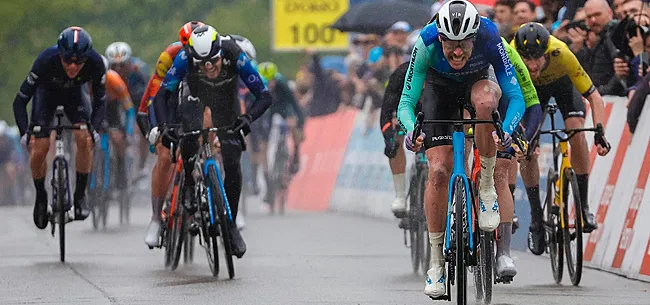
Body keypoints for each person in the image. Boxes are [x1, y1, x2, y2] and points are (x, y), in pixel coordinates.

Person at [397, 0, 526, 297]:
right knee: (439, 171)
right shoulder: (427, 41)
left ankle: (486, 187)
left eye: (464, 45)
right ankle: (436, 264)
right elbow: (406, 102)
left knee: (485, 102)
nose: (457, 52)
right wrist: (411, 130)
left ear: (474, 38)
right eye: (450, 44)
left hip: (478, 84)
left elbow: (515, 96)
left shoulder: (490, 35)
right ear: (440, 37)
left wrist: (505, 130)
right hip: (437, 90)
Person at [151, 25, 273, 258]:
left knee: (232, 157)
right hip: (195, 97)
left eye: (214, 62)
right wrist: (166, 127)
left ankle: (231, 225)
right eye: (202, 63)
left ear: (220, 52)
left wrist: (248, 118)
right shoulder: (184, 58)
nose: (209, 68)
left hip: (226, 103)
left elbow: (264, 95)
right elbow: (162, 96)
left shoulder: (234, 54)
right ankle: (188, 185)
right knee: (188, 138)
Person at [511, 22, 611, 255]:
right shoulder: (511, 56)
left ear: (547, 52)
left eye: (538, 58)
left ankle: (584, 207)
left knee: (576, 131)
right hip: (529, 93)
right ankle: (536, 220)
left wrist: (599, 131)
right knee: (527, 150)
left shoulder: (561, 53)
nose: (533, 65)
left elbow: (594, 97)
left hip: (563, 87)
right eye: (527, 59)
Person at [12, 26, 106, 229]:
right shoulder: (46, 59)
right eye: (68, 61)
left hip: (75, 97)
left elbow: (100, 101)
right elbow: (19, 102)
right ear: (60, 55)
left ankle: (80, 196)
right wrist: (25, 132)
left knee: (85, 139)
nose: (73, 67)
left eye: (79, 62)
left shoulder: (96, 63)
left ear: (86, 58)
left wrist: (94, 128)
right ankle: (40, 196)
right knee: (40, 147)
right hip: (46, 96)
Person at [138, 21, 204, 248]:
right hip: (169, 106)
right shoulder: (171, 57)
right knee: (165, 156)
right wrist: (155, 128)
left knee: (209, 143)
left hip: (195, 105)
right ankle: (156, 218)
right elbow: (155, 98)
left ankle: (206, 194)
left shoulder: (211, 55)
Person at [257, 62, 305, 204]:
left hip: (283, 107)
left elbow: (294, 105)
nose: (270, 85)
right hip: (267, 109)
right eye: (267, 82)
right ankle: (267, 184)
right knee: (263, 145)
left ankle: (295, 154)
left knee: (292, 123)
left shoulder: (282, 83)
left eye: (272, 81)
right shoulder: (256, 85)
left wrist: (299, 124)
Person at [105, 41, 150, 176]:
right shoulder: (107, 75)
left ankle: (142, 164)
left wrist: (133, 128)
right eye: (114, 66)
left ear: (129, 64)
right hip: (115, 98)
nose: (118, 69)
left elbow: (143, 99)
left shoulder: (138, 71)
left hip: (135, 97)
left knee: (143, 128)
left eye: (122, 65)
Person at [101, 55, 135, 190]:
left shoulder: (114, 80)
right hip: (95, 108)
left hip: (111, 109)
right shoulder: (87, 81)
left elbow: (130, 110)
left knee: (118, 139)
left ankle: (121, 174)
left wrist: (128, 132)